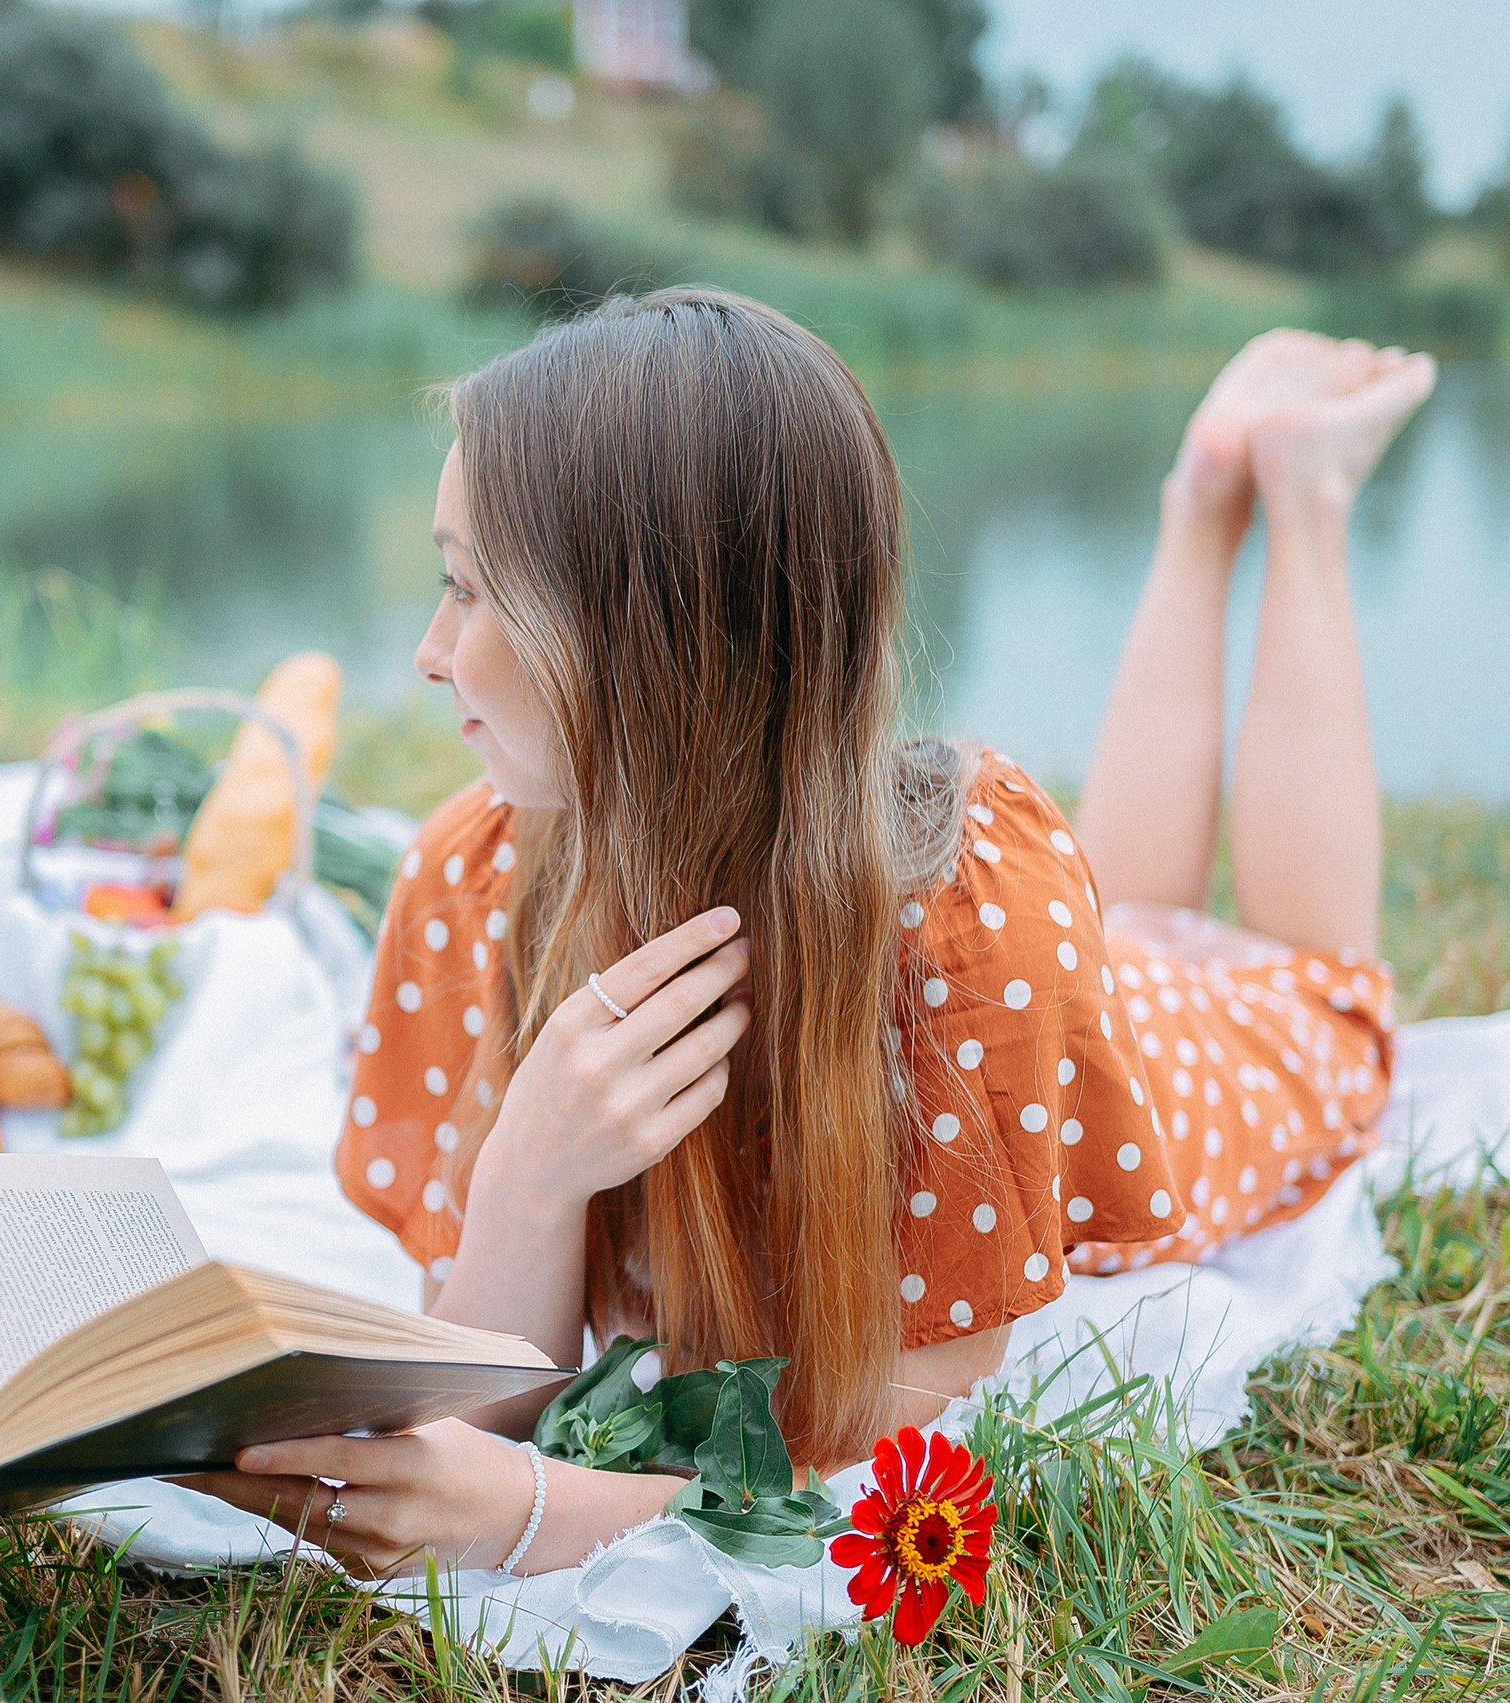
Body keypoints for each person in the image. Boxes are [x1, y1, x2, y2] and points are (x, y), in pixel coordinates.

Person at [186, 290, 1436, 1579]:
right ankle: (1204, 493)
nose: (427, 652)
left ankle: (1301, 498)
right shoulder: (477, 877)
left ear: (653, 630)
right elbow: (485, 1407)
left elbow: (891, 1486)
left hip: (1177, 1055)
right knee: (1148, 921)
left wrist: (532, 1515)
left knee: (1308, 988)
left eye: (467, 588)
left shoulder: (969, 936)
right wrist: (528, 1176)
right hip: (1015, 970)